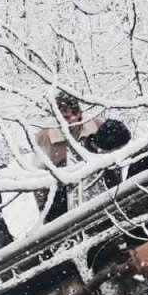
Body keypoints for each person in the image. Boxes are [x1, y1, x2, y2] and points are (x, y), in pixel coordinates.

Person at [32, 92, 106, 222]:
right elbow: (38, 174)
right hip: (61, 199)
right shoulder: (45, 137)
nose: (66, 121)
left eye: (69, 116)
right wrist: (43, 207)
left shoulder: (97, 126)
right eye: (62, 117)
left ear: (78, 114)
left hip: (99, 193)